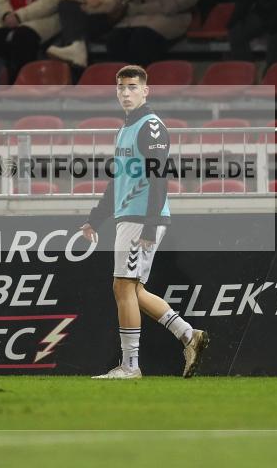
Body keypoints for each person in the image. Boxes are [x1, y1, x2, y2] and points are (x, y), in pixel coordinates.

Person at [79, 65, 208, 379]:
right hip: (130, 216)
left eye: (132, 87)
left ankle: (131, 366)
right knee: (132, 289)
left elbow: (157, 177)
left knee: (123, 286)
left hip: (142, 218)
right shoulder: (125, 128)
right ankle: (189, 335)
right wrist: (95, 218)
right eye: (121, 87)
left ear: (145, 90)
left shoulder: (151, 127)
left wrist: (150, 225)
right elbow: (118, 180)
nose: (125, 92)